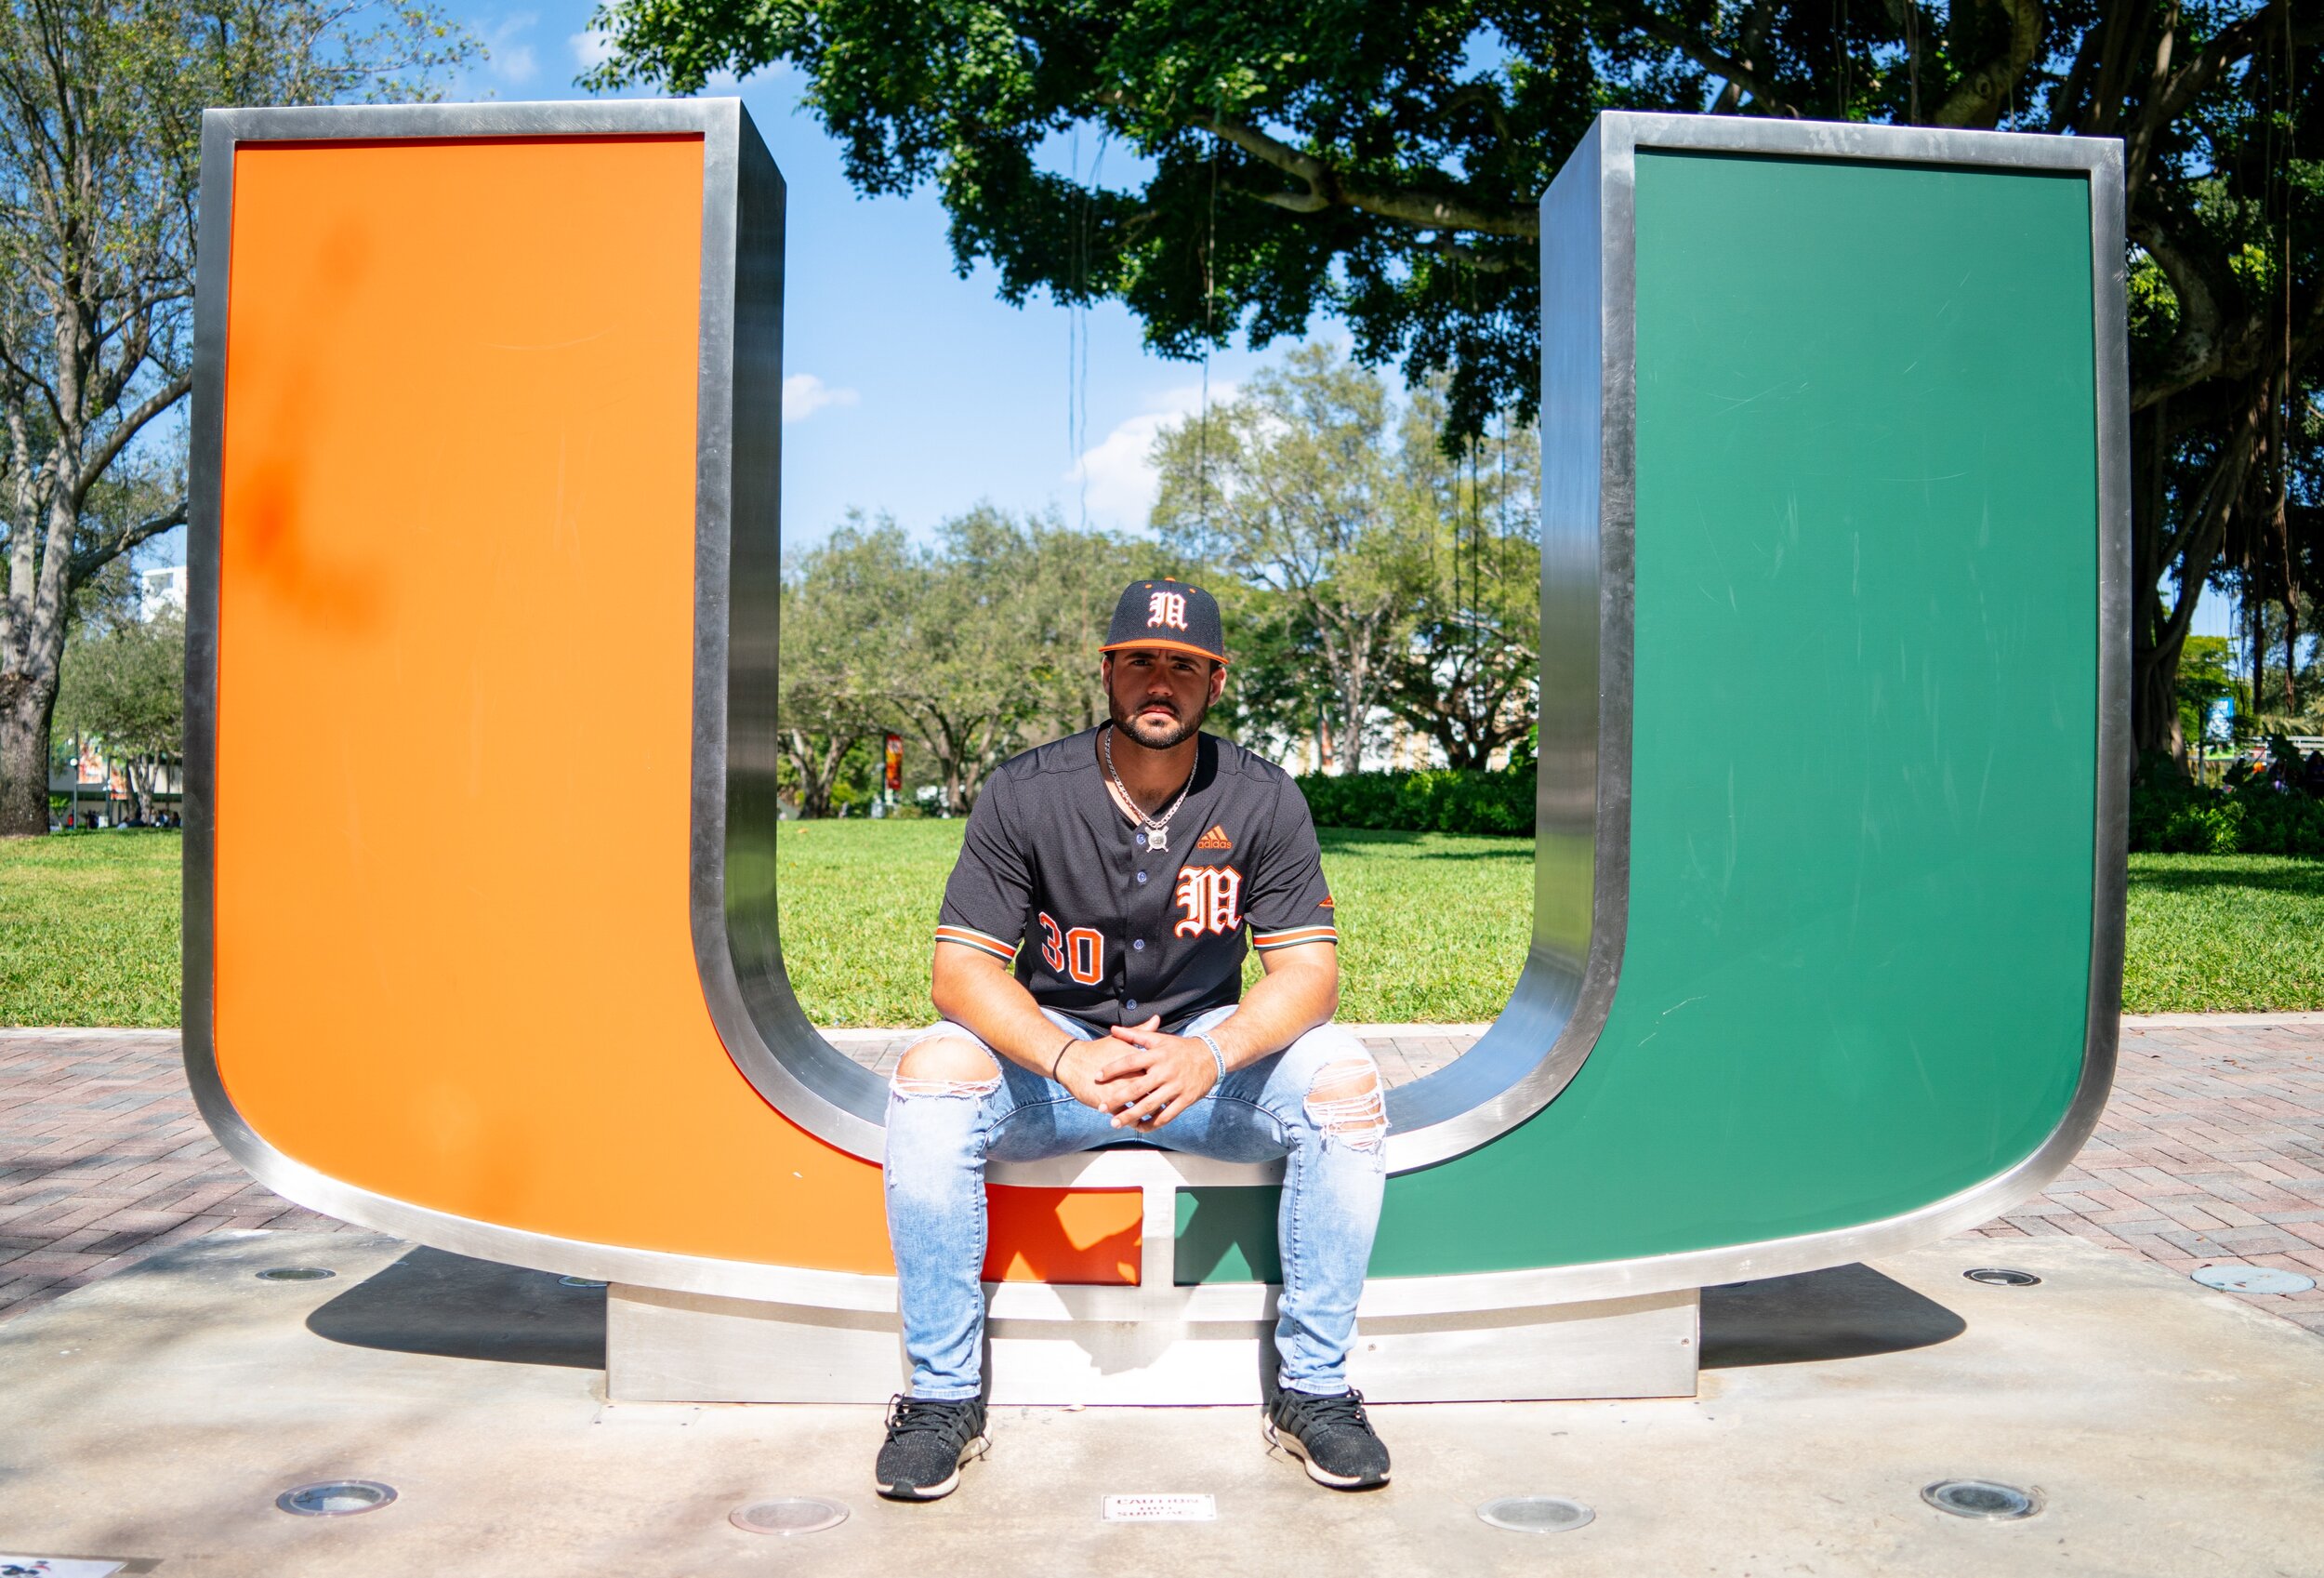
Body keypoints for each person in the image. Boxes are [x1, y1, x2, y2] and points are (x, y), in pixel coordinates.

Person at [874, 577, 1391, 1502]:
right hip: (1060, 1070)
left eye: (1183, 665)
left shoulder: (1264, 796)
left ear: (1215, 681)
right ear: (1109, 670)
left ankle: (1313, 1390)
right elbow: (959, 972)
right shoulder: (1027, 791)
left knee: (1345, 1085)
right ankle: (941, 1398)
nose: (1161, 680)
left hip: (1202, 1074)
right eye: (1141, 660)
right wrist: (1067, 1055)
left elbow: (1311, 974)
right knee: (932, 1070)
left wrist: (1214, 1052)